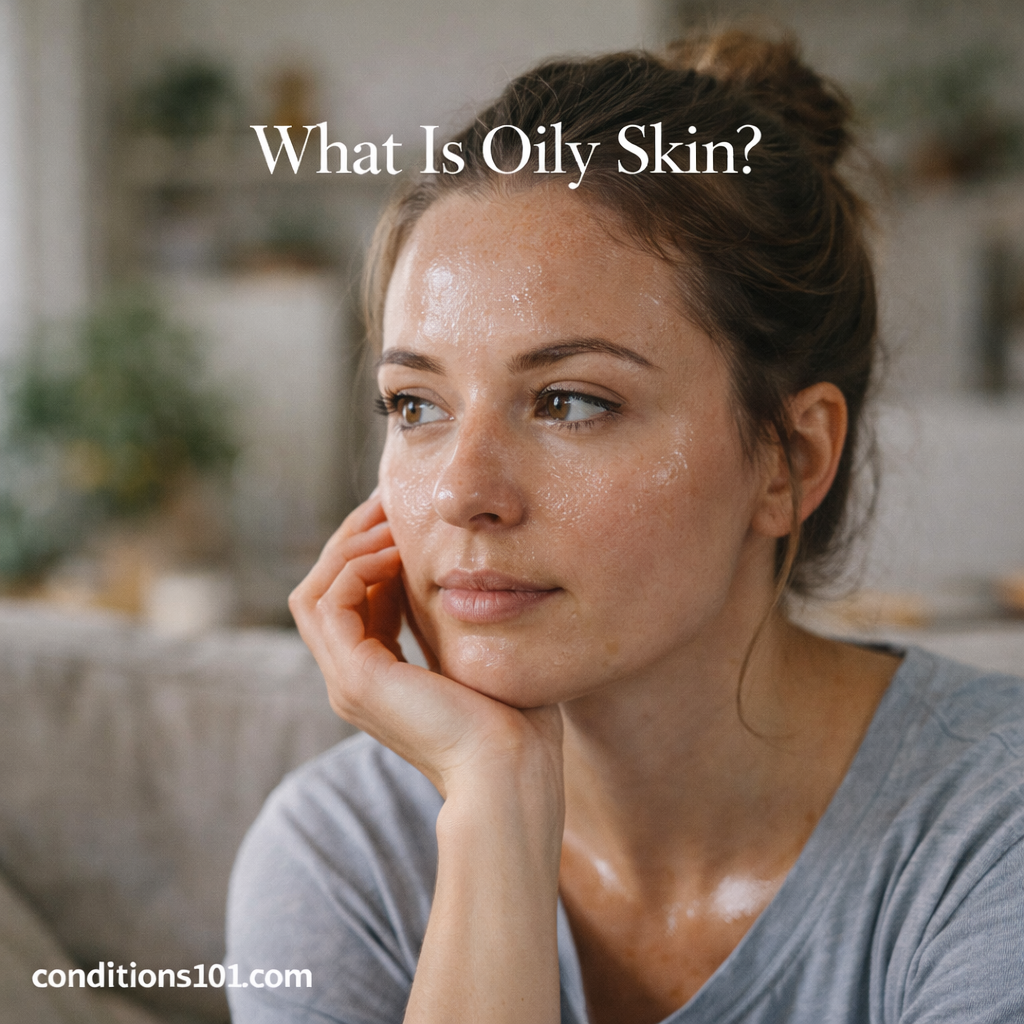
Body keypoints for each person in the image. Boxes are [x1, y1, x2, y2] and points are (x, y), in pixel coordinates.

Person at [226, 30, 1024, 1024]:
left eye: (570, 401)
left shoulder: (993, 831)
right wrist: (495, 803)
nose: (462, 492)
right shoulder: (341, 858)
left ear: (790, 457)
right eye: (416, 405)